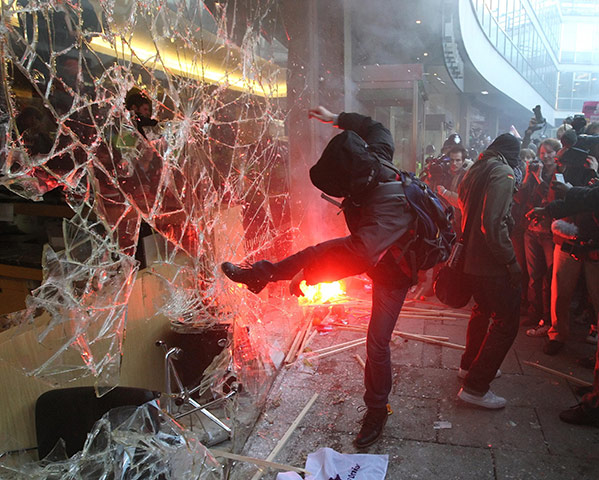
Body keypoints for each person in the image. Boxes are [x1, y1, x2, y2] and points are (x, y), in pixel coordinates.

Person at [221, 106, 416, 448]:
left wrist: (308, 275)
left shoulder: (387, 206)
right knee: (316, 253)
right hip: (377, 253)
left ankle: (376, 410)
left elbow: (352, 258)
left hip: (394, 271)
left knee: (376, 342)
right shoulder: (376, 154)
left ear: (356, 182)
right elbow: (375, 123)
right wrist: (335, 118)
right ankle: (261, 275)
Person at [456, 133, 522, 409]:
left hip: (470, 258)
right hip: (490, 262)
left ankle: (470, 365)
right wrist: (511, 262)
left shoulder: (477, 168)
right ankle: (476, 386)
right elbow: (493, 225)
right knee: (507, 322)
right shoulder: (503, 172)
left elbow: (464, 206)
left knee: (482, 310)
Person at [527, 183, 599, 426]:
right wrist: (551, 209)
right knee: (559, 292)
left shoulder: (587, 178)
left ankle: (596, 403)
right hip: (571, 245)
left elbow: (590, 197)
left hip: (593, 249)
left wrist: (567, 190)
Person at [514, 139, 561, 337]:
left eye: (550, 152)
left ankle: (548, 319)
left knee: (549, 279)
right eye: (542, 153)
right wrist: (527, 176)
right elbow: (519, 198)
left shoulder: (559, 174)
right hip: (531, 231)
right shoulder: (534, 172)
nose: (546, 156)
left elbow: (553, 200)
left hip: (550, 233)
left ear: (557, 154)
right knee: (534, 276)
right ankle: (534, 313)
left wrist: (540, 178)